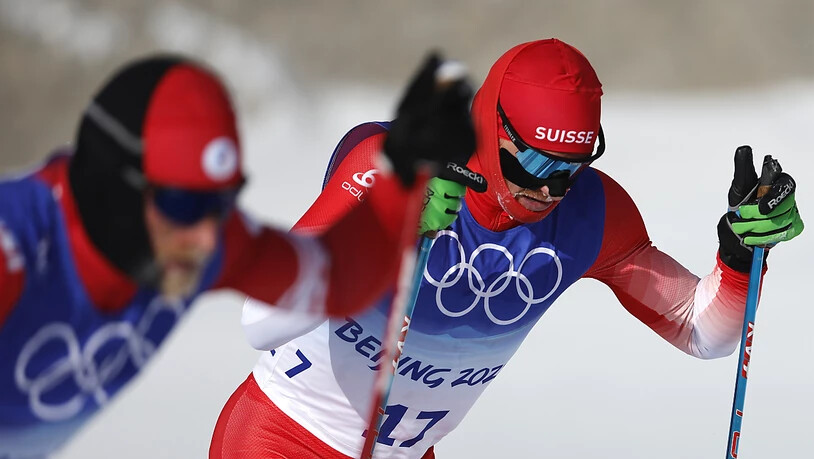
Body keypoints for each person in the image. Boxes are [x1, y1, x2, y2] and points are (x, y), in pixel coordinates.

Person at [209, 38, 804, 459]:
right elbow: (259, 322)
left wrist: (739, 258)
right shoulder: (394, 164)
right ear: (493, 128)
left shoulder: (592, 213)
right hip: (280, 439)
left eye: (571, 166)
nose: (549, 188)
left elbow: (704, 334)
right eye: (537, 160)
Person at [0, 53, 479, 458]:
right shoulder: (17, 246)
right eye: (184, 204)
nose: (209, 238)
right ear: (112, 185)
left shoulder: (205, 239)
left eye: (223, 202)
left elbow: (335, 282)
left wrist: (396, 179)